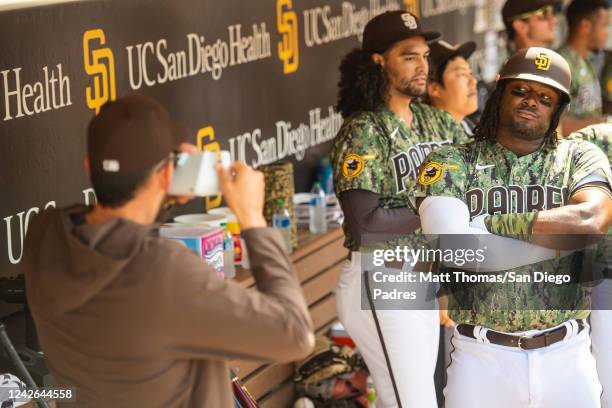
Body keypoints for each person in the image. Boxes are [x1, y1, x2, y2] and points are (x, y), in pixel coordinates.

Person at [21, 94, 315, 408]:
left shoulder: (44, 235)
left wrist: (159, 194)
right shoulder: (164, 271)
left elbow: (116, 237)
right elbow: (296, 335)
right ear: (165, 175)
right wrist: (253, 217)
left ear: (89, 168)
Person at [417, 47, 612, 408]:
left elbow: (591, 221)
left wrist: (493, 223)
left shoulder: (578, 157)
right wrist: (562, 241)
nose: (532, 102)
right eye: (521, 90)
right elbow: (456, 248)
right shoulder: (452, 161)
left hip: (566, 355)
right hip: (481, 357)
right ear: (500, 93)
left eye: (545, 97)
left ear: (557, 110)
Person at [331, 10, 468, 408]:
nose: (422, 65)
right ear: (378, 62)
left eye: (425, 55)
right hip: (382, 277)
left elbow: (473, 184)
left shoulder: (435, 123)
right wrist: (436, 206)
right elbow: (365, 225)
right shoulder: (365, 129)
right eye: (409, 55)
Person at [558, 0, 610, 134]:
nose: (607, 33)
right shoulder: (562, 64)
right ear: (586, 26)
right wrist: (604, 123)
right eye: (604, 26)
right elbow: (554, 124)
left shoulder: (585, 61)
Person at [426, 40, 479, 136]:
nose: (473, 81)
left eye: (470, 73)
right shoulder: (427, 141)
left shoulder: (470, 128)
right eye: (462, 74)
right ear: (434, 89)